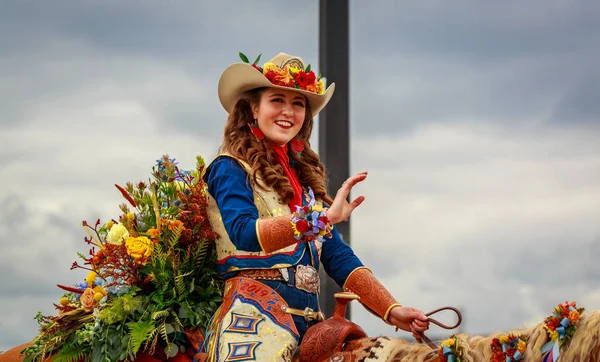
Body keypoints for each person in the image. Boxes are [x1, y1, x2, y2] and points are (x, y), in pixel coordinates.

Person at [201, 52, 429, 361]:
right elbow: (243, 232)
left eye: (298, 104)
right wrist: (318, 220)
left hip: (311, 324)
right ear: (253, 108)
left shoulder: (304, 184)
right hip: (250, 321)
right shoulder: (228, 167)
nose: (288, 112)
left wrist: (392, 310)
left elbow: (337, 256)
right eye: (277, 100)